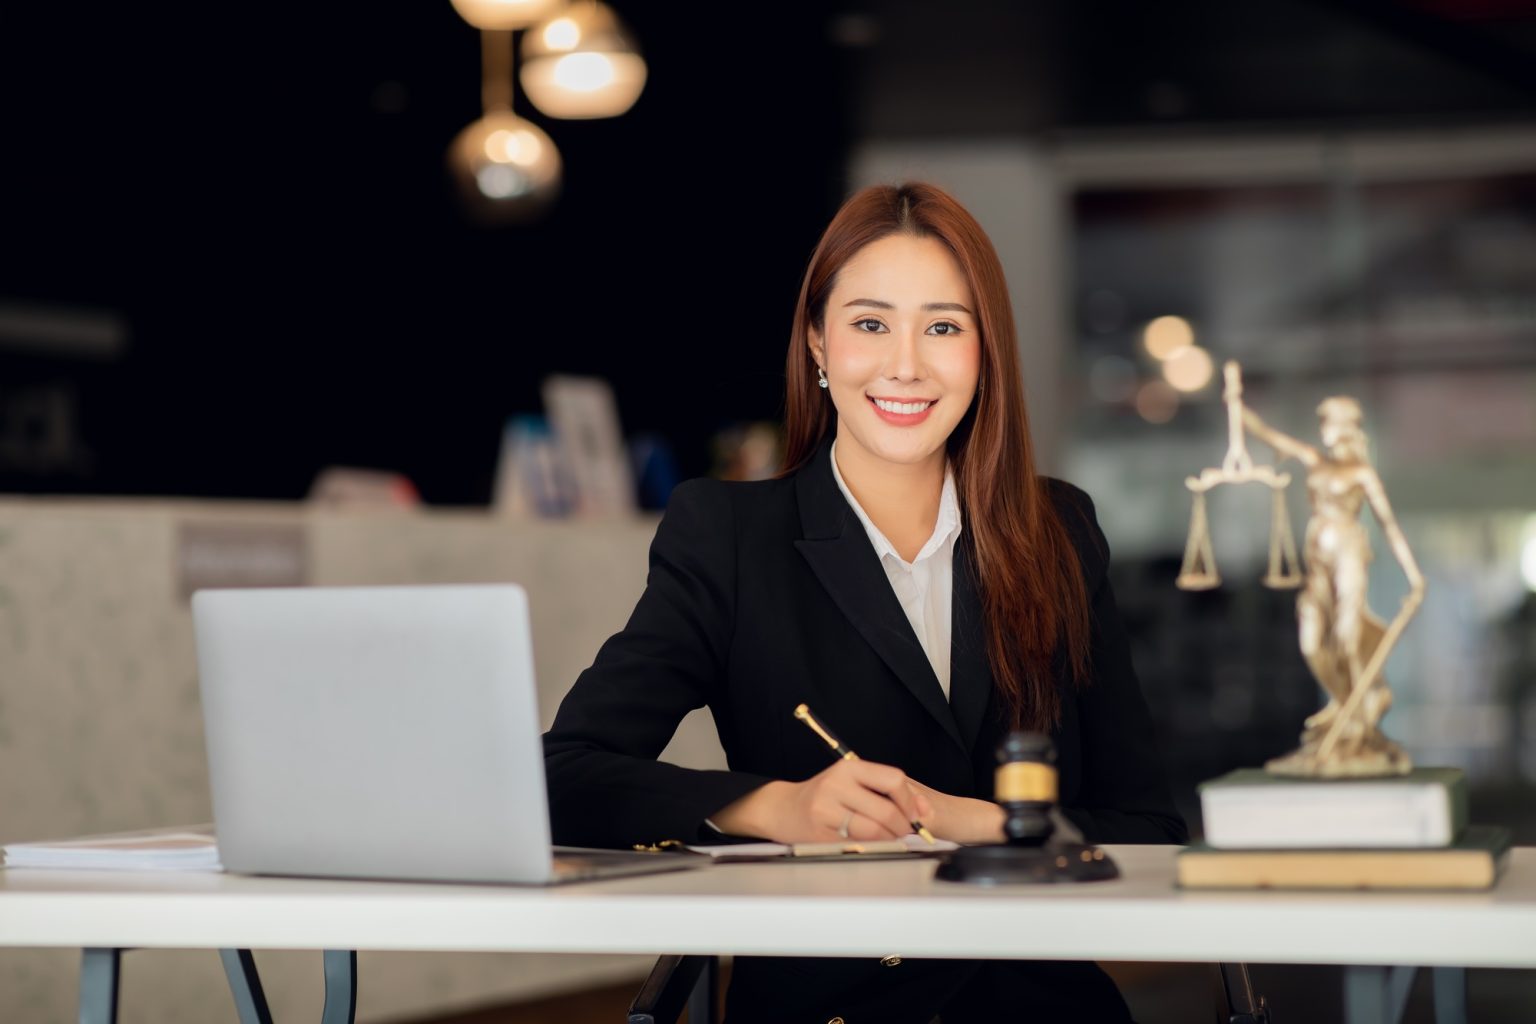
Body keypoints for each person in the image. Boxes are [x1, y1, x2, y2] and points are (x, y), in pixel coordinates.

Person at [543, 182, 1186, 1023]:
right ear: (817, 342)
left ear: (985, 351)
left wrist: (967, 820)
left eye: (945, 327)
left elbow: (1148, 831)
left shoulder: (1058, 530)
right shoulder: (730, 534)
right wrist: (779, 806)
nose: (906, 365)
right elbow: (564, 776)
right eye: (871, 323)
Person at [1238, 393, 1425, 776]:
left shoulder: (1361, 473)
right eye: (1322, 421)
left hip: (1349, 553)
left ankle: (1358, 727)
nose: (1324, 428)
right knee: (1312, 642)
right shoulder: (1313, 460)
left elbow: (1388, 524)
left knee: (1348, 636)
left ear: (1347, 427)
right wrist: (1237, 406)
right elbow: (1272, 438)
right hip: (1317, 559)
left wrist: (1414, 574)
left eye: (1330, 421)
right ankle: (1347, 709)